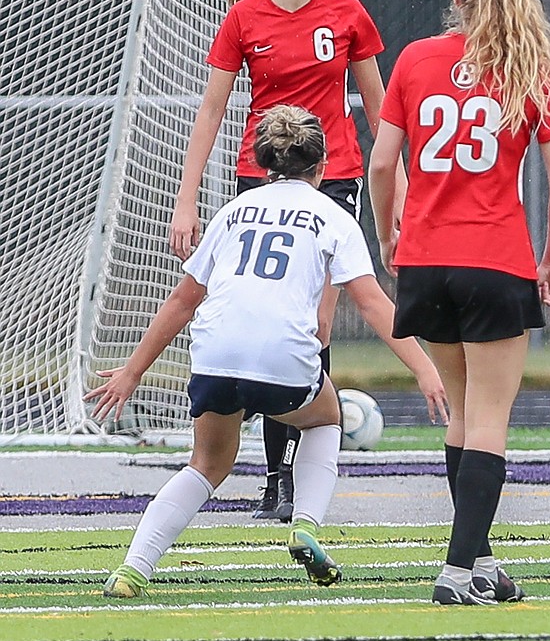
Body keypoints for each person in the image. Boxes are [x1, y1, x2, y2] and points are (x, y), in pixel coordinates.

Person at [89, 106, 448, 598]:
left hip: (215, 351)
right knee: (325, 421)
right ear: (322, 168)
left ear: (262, 167)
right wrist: (426, 369)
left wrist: (132, 372)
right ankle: (304, 525)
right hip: (281, 356)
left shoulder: (234, 211)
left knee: (208, 464)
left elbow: (183, 300)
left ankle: (132, 569)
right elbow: (373, 305)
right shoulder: (333, 217)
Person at [169, 0, 418, 522]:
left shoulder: (347, 12)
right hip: (260, 177)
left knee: (315, 324)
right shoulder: (244, 19)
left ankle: (288, 480)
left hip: (333, 180)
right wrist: (187, 195)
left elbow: (383, 111)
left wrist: (402, 193)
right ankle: (274, 477)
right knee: (264, 311)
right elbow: (210, 113)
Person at [368, 0, 550, 606]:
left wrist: (386, 232)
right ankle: (457, 570)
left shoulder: (414, 58)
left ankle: (480, 559)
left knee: (462, 414)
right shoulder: (526, 67)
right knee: (488, 418)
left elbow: (381, 166)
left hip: (426, 260)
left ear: (456, 0)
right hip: (495, 258)